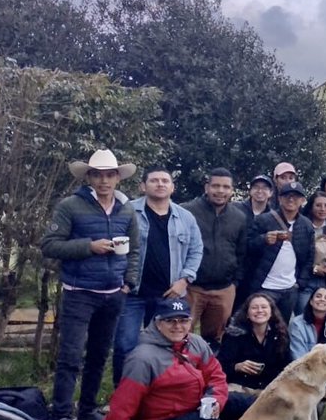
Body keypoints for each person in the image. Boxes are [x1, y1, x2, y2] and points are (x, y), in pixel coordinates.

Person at [41, 148, 140, 420]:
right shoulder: (71, 206)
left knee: (99, 355)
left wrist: (128, 283)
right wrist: (89, 246)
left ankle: (87, 408)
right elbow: (49, 244)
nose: (104, 180)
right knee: (70, 356)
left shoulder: (126, 209)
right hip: (80, 292)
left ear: (117, 178)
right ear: (90, 177)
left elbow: (134, 250)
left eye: (110, 175)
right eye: (98, 175)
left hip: (113, 294)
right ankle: (61, 414)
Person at [80, 298, 227, 420]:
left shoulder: (196, 342)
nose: (177, 326)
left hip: (196, 405)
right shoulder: (142, 358)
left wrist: (217, 400)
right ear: (157, 323)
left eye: (183, 321)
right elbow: (125, 399)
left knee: (243, 403)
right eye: (170, 321)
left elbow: (216, 376)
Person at [113, 165, 203, 386]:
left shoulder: (185, 217)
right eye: (154, 180)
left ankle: (161, 393)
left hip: (170, 295)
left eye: (165, 181)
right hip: (133, 293)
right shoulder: (127, 212)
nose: (160, 184)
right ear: (143, 186)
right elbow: (116, 246)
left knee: (169, 345)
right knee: (126, 345)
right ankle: (123, 394)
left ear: (172, 187)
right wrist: (121, 281)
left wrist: (185, 280)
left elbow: (196, 250)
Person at [183, 167, 248, 349]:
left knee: (214, 340)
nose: (220, 191)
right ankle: (178, 374)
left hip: (223, 289)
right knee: (180, 334)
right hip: (191, 287)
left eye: (226, 187)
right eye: (216, 186)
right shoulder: (188, 212)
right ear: (207, 187)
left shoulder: (239, 217)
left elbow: (241, 253)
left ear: (231, 190)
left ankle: (209, 375)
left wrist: (235, 283)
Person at [217, 292, 292, 420]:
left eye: (264, 307)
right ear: (247, 313)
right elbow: (219, 367)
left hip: (269, 389)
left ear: (271, 312)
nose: (259, 311)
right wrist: (237, 366)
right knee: (227, 400)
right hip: (240, 387)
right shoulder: (234, 334)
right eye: (254, 308)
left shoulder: (280, 334)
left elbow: (287, 366)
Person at [246, 180, 312, 323]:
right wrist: (263, 239)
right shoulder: (264, 220)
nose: (291, 199)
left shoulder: (306, 225)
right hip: (265, 287)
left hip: (290, 288)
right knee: (260, 325)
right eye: (287, 195)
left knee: (282, 329)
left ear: (302, 200)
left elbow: (309, 257)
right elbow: (247, 247)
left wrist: (300, 283)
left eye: (296, 196)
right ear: (280, 198)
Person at [297, 191, 326, 313]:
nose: (323, 209)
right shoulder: (302, 225)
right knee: (304, 316)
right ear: (311, 206)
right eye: (318, 205)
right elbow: (297, 255)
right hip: (305, 279)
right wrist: (314, 268)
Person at [289, 285, 326, 359]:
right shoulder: (297, 323)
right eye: (318, 296)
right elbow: (298, 356)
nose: (322, 299)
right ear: (311, 301)